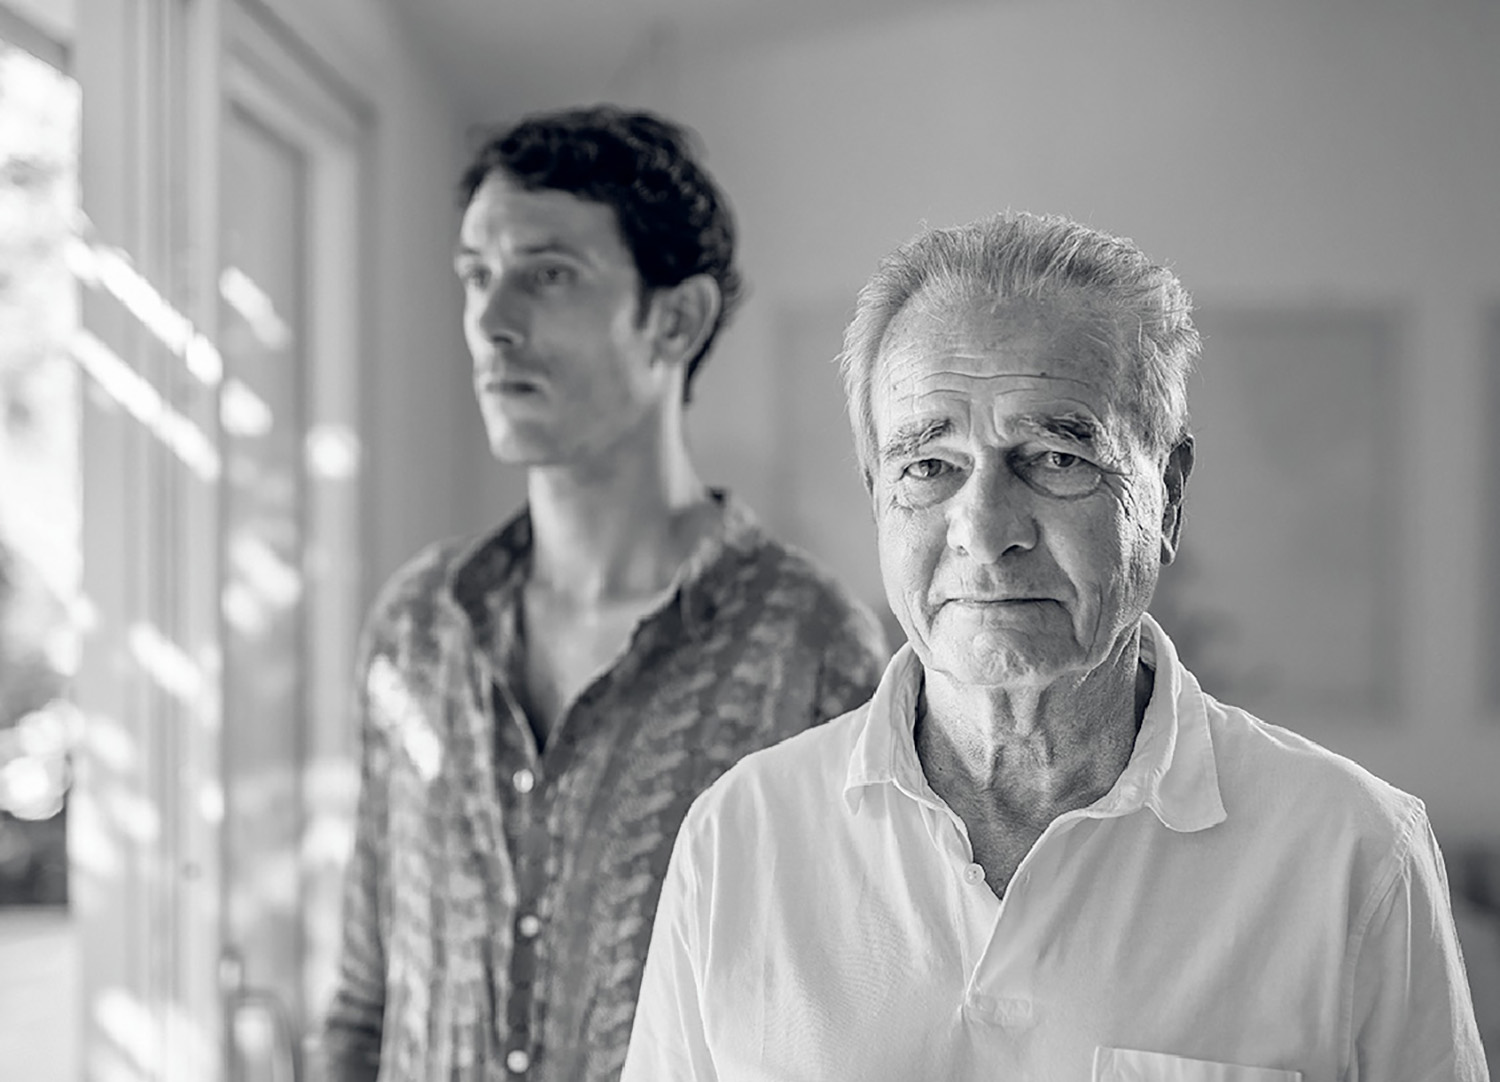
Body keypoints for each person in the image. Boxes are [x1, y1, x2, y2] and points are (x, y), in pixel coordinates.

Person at [623, 212, 1490, 1080]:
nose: (985, 531)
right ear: (878, 495)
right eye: (929, 466)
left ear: (1168, 496)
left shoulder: (1354, 853)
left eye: (1055, 458)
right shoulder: (737, 841)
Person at [322, 106, 888, 1082]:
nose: (491, 322)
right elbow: (364, 1006)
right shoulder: (416, 627)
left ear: (676, 319)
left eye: (547, 274)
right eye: (475, 274)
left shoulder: (813, 650)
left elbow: (853, 1025)